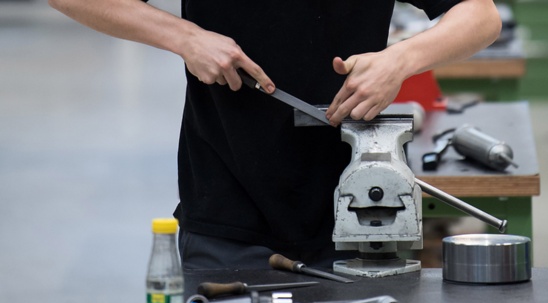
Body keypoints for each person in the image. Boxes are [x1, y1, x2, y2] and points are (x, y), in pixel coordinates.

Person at [49, 0, 501, 270]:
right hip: (227, 209)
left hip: (363, 218)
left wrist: (401, 60)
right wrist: (184, 37)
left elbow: (481, 15)